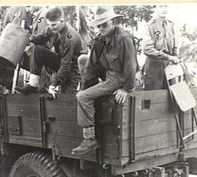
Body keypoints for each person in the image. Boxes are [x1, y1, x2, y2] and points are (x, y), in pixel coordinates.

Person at [71, 7, 138, 155]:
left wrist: (126, 89)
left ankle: (89, 139)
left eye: (104, 24)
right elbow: (92, 65)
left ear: (113, 22)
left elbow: (131, 66)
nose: (101, 28)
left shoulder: (124, 39)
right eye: (98, 25)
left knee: (82, 97)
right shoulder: (99, 39)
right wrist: (84, 86)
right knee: (83, 65)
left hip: (120, 78)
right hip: (108, 75)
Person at [15, 7, 83, 96]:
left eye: (54, 25)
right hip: (61, 61)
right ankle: (33, 85)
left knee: (66, 101)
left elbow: (66, 64)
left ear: (62, 21)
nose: (51, 27)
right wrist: (27, 40)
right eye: (49, 24)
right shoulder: (52, 28)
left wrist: (54, 84)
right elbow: (41, 37)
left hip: (72, 69)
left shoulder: (70, 37)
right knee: (38, 50)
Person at [143, 5, 180, 90]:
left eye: (166, 6)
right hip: (154, 66)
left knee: (172, 94)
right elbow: (147, 49)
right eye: (161, 6)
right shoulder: (150, 26)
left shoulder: (171, 25)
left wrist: (175, 57)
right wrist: (169, 57)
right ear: (155, 8)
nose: (164, 9)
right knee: (154, 97)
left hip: (170, 66)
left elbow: (175, 46)